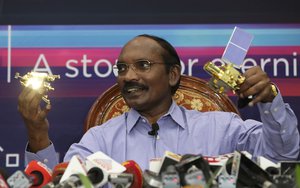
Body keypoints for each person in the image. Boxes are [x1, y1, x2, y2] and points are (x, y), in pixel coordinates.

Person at [20, 34, 299, 172]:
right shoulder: (100, 139)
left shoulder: (221, 127)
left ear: (173, 74)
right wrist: (38, 135)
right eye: (121, 69)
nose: (129, 76)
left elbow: (284, 158)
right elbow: (62, 184)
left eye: (143, 65)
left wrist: (271, 100)